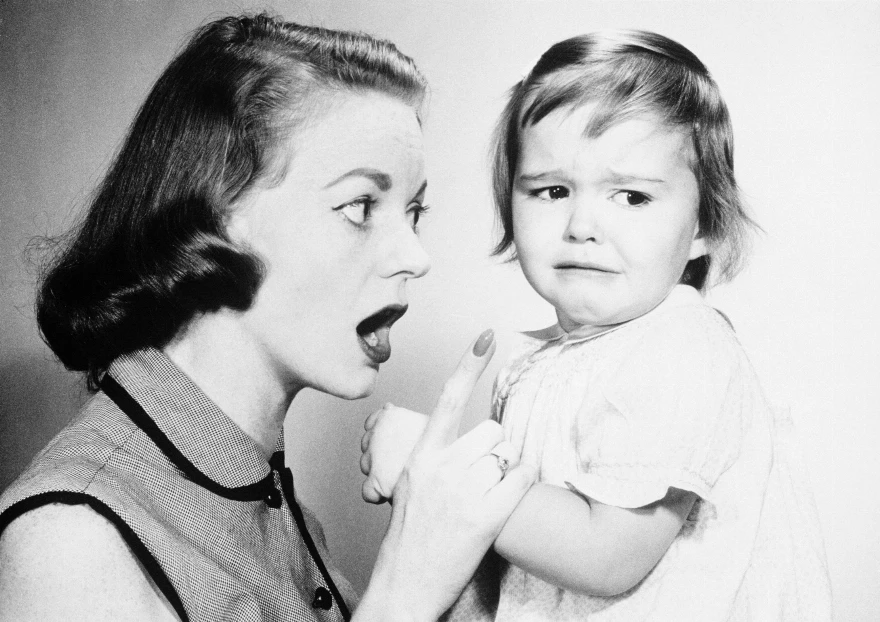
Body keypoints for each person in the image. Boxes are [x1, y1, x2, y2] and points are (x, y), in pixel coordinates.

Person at [0, 13, 536, 622]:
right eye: (361, 205)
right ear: (216, 210)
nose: (416, 256)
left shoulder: (276, 507)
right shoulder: (68, 542)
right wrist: (407, 586)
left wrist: (464, 551)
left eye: (414, 212)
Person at [361, 30, 832, 620]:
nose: (582, 225)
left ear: (705, 224)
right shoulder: (544, 363)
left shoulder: (681, 349)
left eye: (631, 197)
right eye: (552, 190)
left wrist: (435, 468)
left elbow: (604, 557)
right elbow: (524, 571)